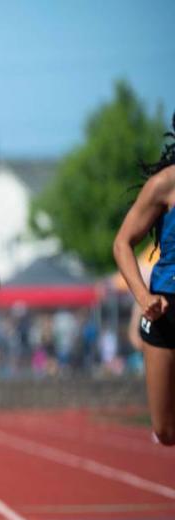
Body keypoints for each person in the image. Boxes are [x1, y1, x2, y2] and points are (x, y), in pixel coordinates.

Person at [113, 112, 175, 446]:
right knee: (164, 430)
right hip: (166, 308)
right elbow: (122, 243)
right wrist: (142, 296)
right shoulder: (164, 184)